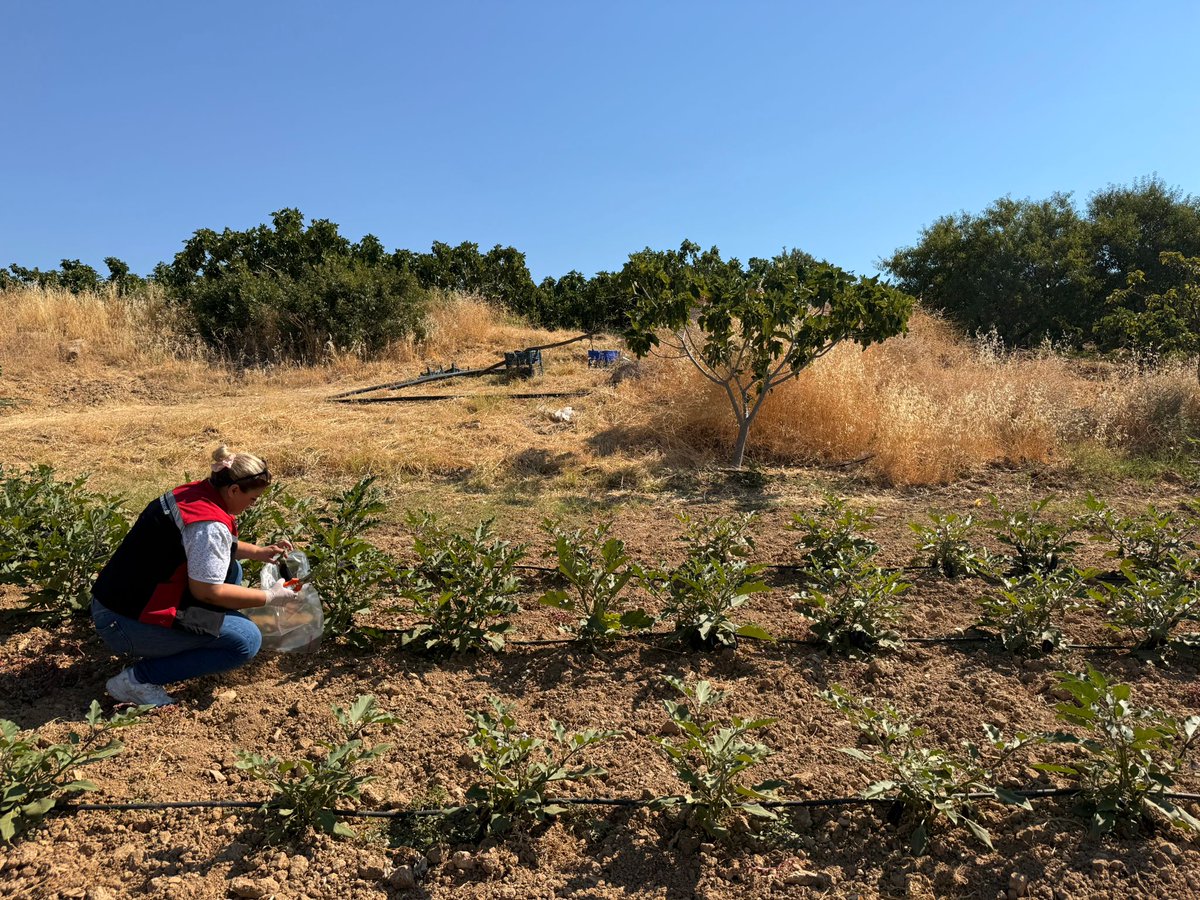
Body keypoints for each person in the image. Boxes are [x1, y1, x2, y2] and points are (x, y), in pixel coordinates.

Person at [91, 445, 300, 707]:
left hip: (121, 599)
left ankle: (194, 637)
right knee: (246, 640)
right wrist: (270, 597)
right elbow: (207, 591)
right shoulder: (208, 525)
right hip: (122, 623)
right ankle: (137, 681)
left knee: (232, 569)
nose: (252, 505)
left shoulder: (196, 494)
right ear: (234, 490)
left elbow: (209, 547)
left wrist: (259, 552)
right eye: (253, 499)